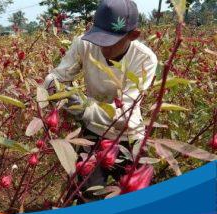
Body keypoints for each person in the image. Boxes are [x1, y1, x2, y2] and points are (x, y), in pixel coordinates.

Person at [43, 0, 158, 202]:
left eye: (111, 41)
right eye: (99, 38)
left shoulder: (145, 59)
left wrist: (84, 107)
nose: (103, 47)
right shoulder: (85, 43)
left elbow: (125, 111)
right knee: (86, 196)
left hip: (129, 136)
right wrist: (60, 92)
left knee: (139, 200)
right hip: (94, 132)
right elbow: (54, 77)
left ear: (133, 35)